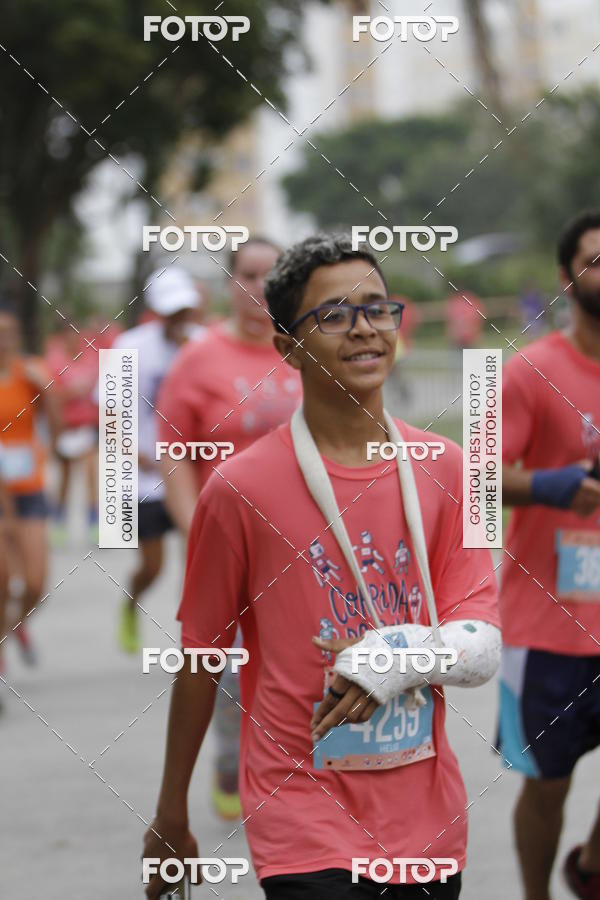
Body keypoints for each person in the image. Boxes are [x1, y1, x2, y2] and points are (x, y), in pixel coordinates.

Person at [143, 233, 501, 899]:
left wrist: (389, 658)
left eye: (377, 308)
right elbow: (200, 654)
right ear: (288, 348)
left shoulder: (450, 468)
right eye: (333, 315)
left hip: (425, 817)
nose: (364, 329)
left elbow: (479, 642)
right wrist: (171, 811)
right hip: (299, 813)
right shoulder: (240, 488)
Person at [156, 237, 302, 820]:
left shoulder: (306, 348)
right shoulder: (200, 358)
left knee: (301, 660)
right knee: (228, 664)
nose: (260, 288)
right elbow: (172, 454)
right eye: (248, 275)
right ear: (228, 284)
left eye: (273, 276)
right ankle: (227, 752)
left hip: (302, 544)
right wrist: (198, 533)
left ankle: (298, 773)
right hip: (225, 543)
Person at [498, 210, 600, 900]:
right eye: (595, 260)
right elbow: (474, 472)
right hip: (551, 623)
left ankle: (590, 866)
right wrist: (550, 486)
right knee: (549, 783)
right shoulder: (531, 371)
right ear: (567, 279)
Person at [111, 266, 204, 654]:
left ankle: (197, 641)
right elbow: (110, 416)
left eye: (184, 309)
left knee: (198, 561)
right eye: (170, 310)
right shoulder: (128, 346)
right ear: (155, 309)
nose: (178, 317)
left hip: (192, 471)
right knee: (153, 567)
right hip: (144, 477)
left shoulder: (204, 344)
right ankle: (131, 605)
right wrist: (135, 454)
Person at [0, 296, 61, 673]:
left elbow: (58, 430)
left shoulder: (31, 372)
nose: (4, 339)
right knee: (3, 580)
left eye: (9, 332)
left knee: (36, 582)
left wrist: (48, 391)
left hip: (29, 487)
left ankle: (13, 625)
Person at [45, 321, 100, 545]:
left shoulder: (90, 359)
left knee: (91, 475)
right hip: (67, 428)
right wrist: (70, 392)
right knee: (65, 480)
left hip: (88, 428)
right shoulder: (55, 362)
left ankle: (94, 523)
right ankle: (59, 522)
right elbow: (51, 396)